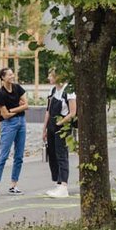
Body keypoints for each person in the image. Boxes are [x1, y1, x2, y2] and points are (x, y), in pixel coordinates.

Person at [0, 67, 29, 194]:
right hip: (9, 125)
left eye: (12, 74)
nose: (12, 76)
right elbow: (5, 115)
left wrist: (12, 110)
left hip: (21, 123)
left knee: (19, 156)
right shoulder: (0, 94)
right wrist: (19, 107)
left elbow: (26, 105)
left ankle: (14, 185)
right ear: (2, 77)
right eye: (9, 74)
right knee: (3, 155)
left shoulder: (17, 88)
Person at [42, 69, 76, 199]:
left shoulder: (69, 91)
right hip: (51, 125)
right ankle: (58, 182)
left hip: (62, 126)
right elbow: (48, 111)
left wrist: (60, 123)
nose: (49, 77)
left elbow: (72, 112)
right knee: (53, 154)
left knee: (62, 154)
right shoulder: (52, 91)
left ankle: (64, 186)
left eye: (51, 75)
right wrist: (44, 129)